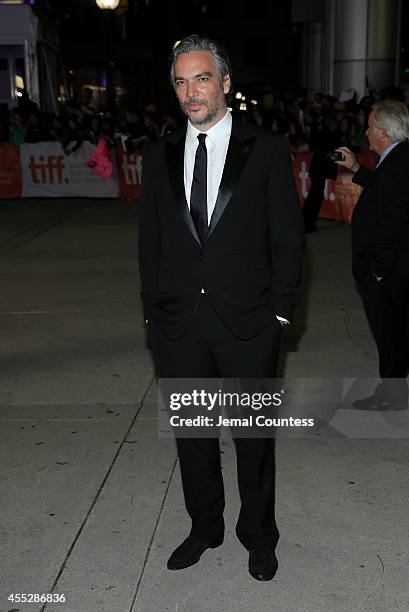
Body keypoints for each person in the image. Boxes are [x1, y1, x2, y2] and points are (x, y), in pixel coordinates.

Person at [138, 34, 304, 581]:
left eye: (202, 78)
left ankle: (259, 533)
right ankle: (204, 526)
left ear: (226, 83)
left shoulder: (268, 150)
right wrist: (152, 313)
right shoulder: (158, 153)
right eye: (181, 81)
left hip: (249, 323)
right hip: (178, 325)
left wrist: (279, 313)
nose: (192, 91)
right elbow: (151, 241)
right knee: (193, 436)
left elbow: (288, 238)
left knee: (253, 439)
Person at [335, 100, 409, 410]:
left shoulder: (395, 165)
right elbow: (385, 193)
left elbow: (393, 222)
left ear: (383, 132)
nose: (365, 132)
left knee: (389, 333)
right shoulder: (398, 159)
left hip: (387, 270)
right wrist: (356, 169)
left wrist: (379, 269)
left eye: (369, 126)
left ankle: (392, 395)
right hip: (394, 268)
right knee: (395, 331)